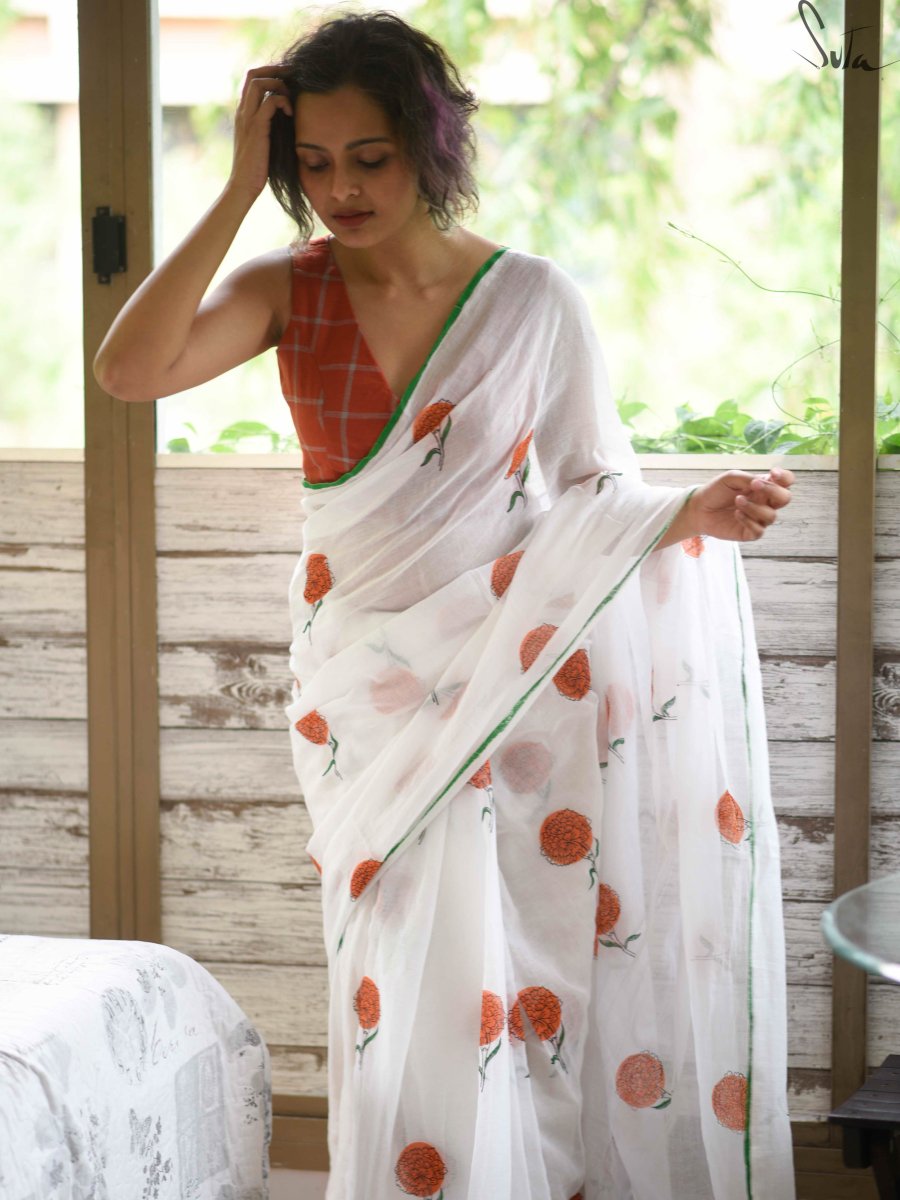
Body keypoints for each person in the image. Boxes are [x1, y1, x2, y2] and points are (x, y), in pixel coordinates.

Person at [94, 11, 797, 1199]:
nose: (342, 191)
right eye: (313, 164)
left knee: (511, 965)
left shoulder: (531, 302)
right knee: (398, 965)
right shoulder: (289, 291)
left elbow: (592, 487)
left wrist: (692, 509)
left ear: (429, 146)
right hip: (362, 690)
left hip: (505, 683)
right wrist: (235, 189)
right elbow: (130, 371)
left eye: (370, 158)